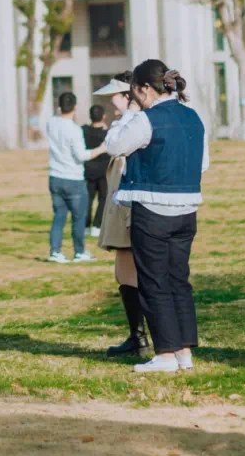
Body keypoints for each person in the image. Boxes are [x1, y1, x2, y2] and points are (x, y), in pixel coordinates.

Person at [106, 58, 208, 374]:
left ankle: (164, 354)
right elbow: (203, 164)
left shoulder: (145, 119)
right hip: (187, 210)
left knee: (154, 282)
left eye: (135, 92)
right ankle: (183, 352)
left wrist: (129, 113)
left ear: (144, 89)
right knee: (179, 281)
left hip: (152, 210)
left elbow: (114, 146)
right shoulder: (193, 117)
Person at [94, 76, 149, 358]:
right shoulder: (131, 120)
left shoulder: (134, 123)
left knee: (129, 273)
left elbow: (114, 145)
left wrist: (127, 114)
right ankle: (138, 335)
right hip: (122, 205)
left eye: (114, 96)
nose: (111, 102)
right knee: (124, 272)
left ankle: (140, 338)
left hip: (128, 207)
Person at [45, 88, 100, 263]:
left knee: (59, 217)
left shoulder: (51, 123)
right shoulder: (74, 130)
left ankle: (55, 252)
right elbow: (82, 156)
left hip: (55, 176)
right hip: (73, 178)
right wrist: (102, 148)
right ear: (75, 107)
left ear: (59, 107)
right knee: (78, 218)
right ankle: (79, 251)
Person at [82, 102, 110, 230]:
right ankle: (97, 225)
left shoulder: (83, 131)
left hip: (88, 170)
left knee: (87, 199)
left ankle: (85, 225)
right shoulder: (107, 134)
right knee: (103, 199)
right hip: (104, 171)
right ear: (103, 116)